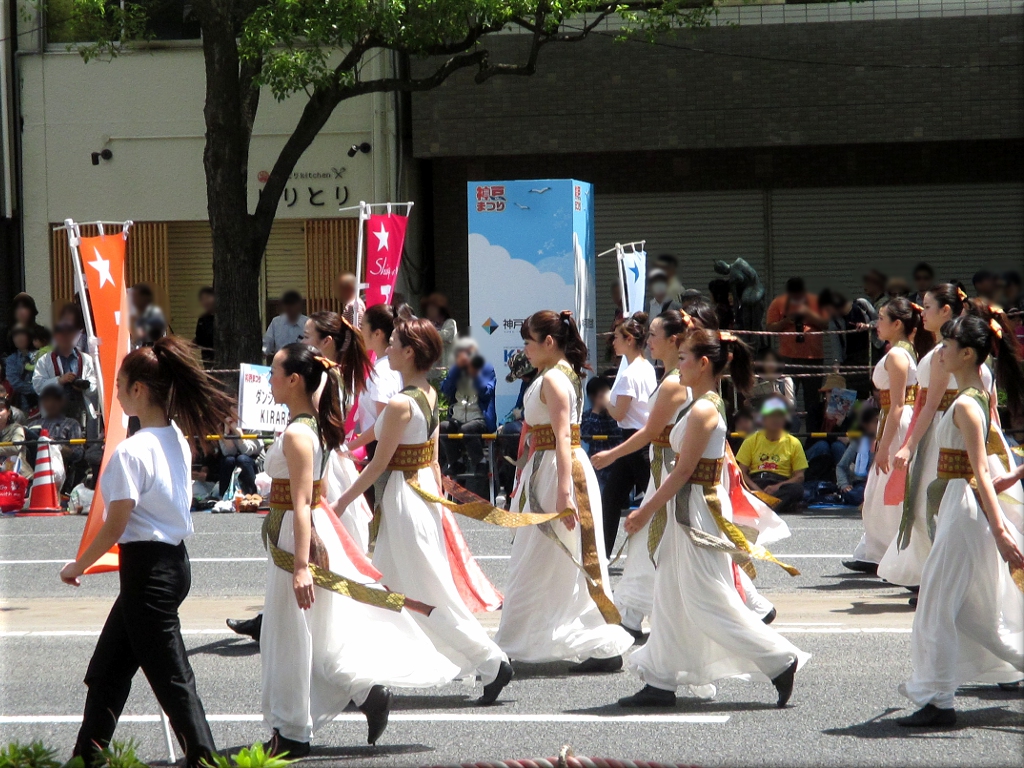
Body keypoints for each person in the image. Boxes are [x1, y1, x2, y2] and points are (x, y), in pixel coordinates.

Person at [259, 343, 458, 757]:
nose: (270, 378)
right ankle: (360, 695)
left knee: (289, 635)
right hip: (307, 536)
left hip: (297, 542)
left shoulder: (299, 432)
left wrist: (299, 566)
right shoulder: (313, 426)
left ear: (295, 380)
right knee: (316, 634)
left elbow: (300, 504)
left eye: (274, 371)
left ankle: (293, 730)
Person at [59, 336, 234, 768]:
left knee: (172, 675)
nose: (115, 392)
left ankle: (205, 758)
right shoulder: (173, 435)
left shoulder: (131, 451)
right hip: (169, 565)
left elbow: (115, 523)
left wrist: (78, 564)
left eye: (120, 384)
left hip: (148, 572)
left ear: (139, 389)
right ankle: (86, 755)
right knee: (108, 668)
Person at [618, 328, 809, 708]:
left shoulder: (704, 408)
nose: (679, 364)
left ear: (704, 363)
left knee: (707, 599)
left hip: (694, 515)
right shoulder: (697, 402)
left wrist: (645, 511)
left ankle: (779, 659)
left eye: (685, 357)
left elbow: (682, 471)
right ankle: (660, 679)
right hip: (685, 511)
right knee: (669, 594)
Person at [332, 318, 513, 705]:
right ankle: (369, 680)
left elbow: (379, 465)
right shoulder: (426, 394)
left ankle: (491, 660)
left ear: (410, 351)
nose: (388, 348)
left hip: (403, 499)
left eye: (394, 343)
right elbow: (422, 454)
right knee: (391, 592)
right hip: (419, 494)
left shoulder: (401, 402)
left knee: (425, 594)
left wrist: (341, 502)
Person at [897, 313, 1024, 727]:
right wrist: (1015, 477)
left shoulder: (968, 404)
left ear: (967, 353)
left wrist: (1002, 531)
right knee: (976, 611)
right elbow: (983, 473)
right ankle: (938, 695)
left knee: (935, 604)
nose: (940, 354)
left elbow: (979, 474)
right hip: (959, 504)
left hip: (963, 510)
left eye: (947, 347)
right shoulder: (974, 398)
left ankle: (937, 700)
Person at [494, 310, 633, 670]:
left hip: (558, 471)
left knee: (543, 558)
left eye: (528, 341)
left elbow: (563, 436)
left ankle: (514, 645)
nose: (525, 348)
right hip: (547, 469)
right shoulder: (553, 375)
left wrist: (564, 492)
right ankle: (594, 643)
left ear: (549, 343)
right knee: (552, 560)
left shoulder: (554, 379)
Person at [592, 309, 694, 642]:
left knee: (674, 547)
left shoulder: (676, 381)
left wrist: (611, 454)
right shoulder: (663, 375)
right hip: (660, 465)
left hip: (669, 468)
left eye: (653, 335)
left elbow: (649, 430)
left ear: (673, 340)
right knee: (655, 545)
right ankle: (631, 615)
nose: (649, 341)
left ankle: (747, 607)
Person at [879, 284, 965, 589]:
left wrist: (909, 445)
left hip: (946, 431)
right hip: (952, 427)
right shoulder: (955, 349)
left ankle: (936, 577)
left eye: (927, 306)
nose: (922, 312)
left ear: (946, 310)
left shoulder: (947, 352)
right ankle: (930, 575)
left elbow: (929, 405)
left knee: (931, 505)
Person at [845, 297, 922, 574]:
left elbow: (898, 404)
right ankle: (876, 552)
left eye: (881, 318)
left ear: (897, 323)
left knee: (888, 491)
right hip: (892, 420)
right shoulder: (902, 351)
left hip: (897, 421)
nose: (877, 324)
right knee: (879, 492)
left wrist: (884, 445)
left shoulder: (898, 356)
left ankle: (890, 552)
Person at [302, 310, 375, 549]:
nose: (301, 343)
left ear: (326, 342)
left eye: (306, 337)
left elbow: (318, 423)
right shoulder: (339, 374)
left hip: (324, 457)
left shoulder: (325, 377)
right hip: (334, 455)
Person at [601, 312, 658, 556]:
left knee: (641, 502)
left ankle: (661, 552)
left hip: (633, 440)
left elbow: (619, 414)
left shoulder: (628, 374)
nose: (613, 342)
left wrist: (604, 400)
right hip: (643, 441)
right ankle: (600, 555)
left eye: (616, 337)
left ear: (629, 339)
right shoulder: (647, 368)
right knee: (613, 499)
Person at [766, 278, 829, 432]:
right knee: (786, 399)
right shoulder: (778, 303)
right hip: (788, 358)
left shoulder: (815, 301)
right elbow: (770, 328)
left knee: (813, 401)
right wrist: (786, 321)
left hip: (813, 358)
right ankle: (786, 435)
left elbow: (825, 323)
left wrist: (808, 313)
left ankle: (813, 437)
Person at [736, 398, 809, 514]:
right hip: (756, 482)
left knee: (797, 489)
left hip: (780, 484)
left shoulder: (793, 443)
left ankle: (763, 506)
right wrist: (758, 490)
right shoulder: (751, 440)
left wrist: (777, 487)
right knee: (739, 487)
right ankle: (776, 505)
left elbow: (799, 477)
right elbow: (741, 472)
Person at [439, 338, 496, 479]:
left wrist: (475, 373)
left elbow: (487, 392)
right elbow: (445, 390)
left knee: (467, 429)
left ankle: (480, 462)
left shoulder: (486, 369)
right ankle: (456, 462)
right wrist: (455, 372)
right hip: (458, 417)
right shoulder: (456, 371)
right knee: (443, 427)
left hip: (479, 418)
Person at [32, 321, 99, 425]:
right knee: (56, 440)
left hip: (79, 409)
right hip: (54, 410)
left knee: (79, 439)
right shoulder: (44, 360)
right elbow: (37, 386)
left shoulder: (86, 359)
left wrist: (84, 386)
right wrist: (59, 380)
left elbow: (94, 383)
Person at [27, 385, 84, 493]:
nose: (51, 404)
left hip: (57, 469)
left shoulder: (71, 424)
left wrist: (56, 445)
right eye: (47, 400)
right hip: (32, 468)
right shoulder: (33, 424)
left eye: (55, 400)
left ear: (62, 402)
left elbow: (78, 454)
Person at [580, 376, 622, 489]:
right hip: (598, 467)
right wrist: (596, 410)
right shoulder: (588, 415)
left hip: (617, 464)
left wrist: (610, 410)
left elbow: (620, 434)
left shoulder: (616, 413)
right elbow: (587, 435)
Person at [834, 407, 879, 506]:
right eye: (875, 422)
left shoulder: (886, 442)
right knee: (856, 494)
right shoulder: (858, 442)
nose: (878, 424)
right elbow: (841, 466)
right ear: (866, 425)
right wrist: (844, 484)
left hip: (879, 483)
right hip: (861, 483)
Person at [217, 416, 261, 497]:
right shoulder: (221, 427)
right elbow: (229, 452)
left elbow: (248, 451)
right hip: (235, 461)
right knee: (228, 460)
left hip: (254, 461)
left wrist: (238, 433)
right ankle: (223, 497)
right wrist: (227, 433)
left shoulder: (253, 425)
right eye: (233, 406)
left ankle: (252, 495)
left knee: (242, 459)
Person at [263, 291, 308, 359]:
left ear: (298, 306)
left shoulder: (307, 323)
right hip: (280, 363)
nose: (288, 308)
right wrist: (262, 352)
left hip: (301, 363)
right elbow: (267, 344)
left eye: (292, 305)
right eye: (286, 305)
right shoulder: (276, 322)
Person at [421, 293, 457, 374]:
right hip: (432, 371)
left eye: (432, 308)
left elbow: (446, 336)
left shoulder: (450, 322)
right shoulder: (429, 324)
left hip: (446, 368)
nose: (429, 311)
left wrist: (429, 332)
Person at [6, 326, 38, 409]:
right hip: (23, 404)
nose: (19, 338)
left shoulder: (40, 354)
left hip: (44, 402)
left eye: (22, 334)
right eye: (15, 336)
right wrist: (37, 389)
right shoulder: (11, 359)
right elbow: (15, 382)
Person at [0, 395, 30, 480]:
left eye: (0, 410)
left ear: (8, 412)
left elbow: (16, 447)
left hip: (18, 475)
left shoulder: (16, 428)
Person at [193, 287, 216, 366]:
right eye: (202, 299)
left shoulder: (223, 318)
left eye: (207, 297)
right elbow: (199, 339)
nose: (205, 302)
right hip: (207, 360)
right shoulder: (202, 319)